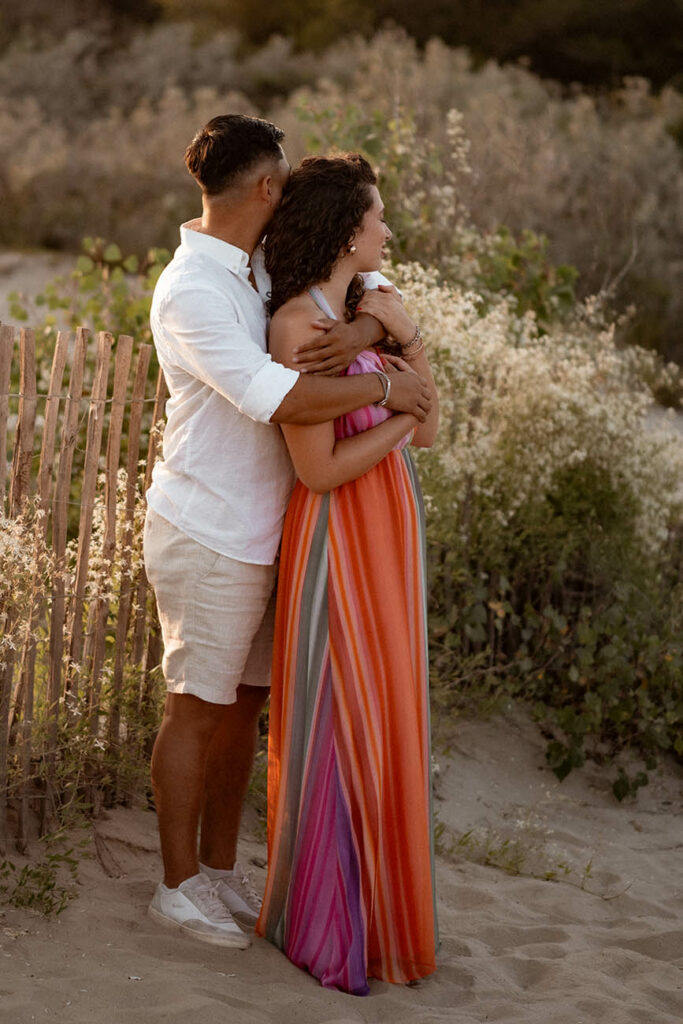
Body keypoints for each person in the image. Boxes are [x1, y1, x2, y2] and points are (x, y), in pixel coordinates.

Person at [143, 116, 432, 949]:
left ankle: (219, 871)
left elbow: (373, 293)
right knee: (196, 707)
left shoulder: (256, 266)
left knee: (243, 708)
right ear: (265, 187)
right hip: (210, 526)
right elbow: (286, 399)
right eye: (284, 178)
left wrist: (373, 331)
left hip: (275, 529)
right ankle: (175, 887)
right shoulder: (193, 291)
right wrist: (387, 396)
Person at [255, 153, 439, 994]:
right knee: (339, 719)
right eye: (377, 216)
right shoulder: (297, 328)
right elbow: (320, 472)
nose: (387, 230)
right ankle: (330, 925)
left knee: (386, 716)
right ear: (343, 228)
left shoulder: (371, 308)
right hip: (338, 535)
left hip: (390, 531)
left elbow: (430, 421)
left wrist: (404, 340)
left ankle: (378, 917)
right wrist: (398, 410)